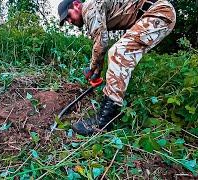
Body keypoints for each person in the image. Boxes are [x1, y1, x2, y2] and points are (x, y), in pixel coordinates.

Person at [58, 0, 176, 135]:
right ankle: (109, 109)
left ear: (77, 4)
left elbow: (101, 42)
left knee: (119, 52)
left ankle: (103, 121)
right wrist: (97, 70)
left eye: (68, 16)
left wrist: (92, 68)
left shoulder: (89, 7)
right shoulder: (93, 11)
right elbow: (99, 44)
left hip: (158, 12)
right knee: (120, 52)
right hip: (153, 13)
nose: (69, 21)